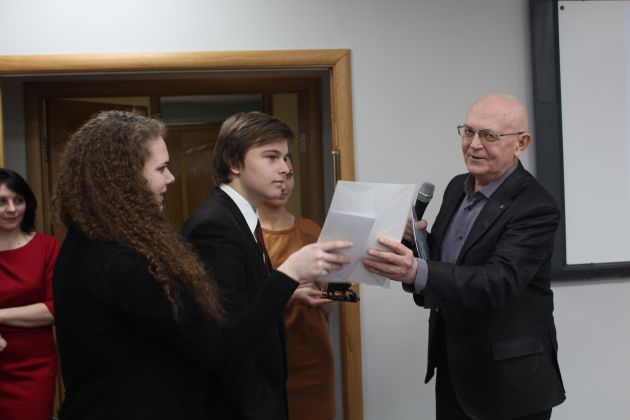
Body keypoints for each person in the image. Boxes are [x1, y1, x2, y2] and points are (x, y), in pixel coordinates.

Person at [52, 110, 350, 420]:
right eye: (161, 168)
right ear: (124, 177)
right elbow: (222, 350)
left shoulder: (87, 244)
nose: (171, 177)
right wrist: (289, 273)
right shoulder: (123, 262)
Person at [362, 95, 565, 420]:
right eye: (468, 131)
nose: (474, 144)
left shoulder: (535, 206)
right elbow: (453, 261)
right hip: (455, 370)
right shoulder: (458, 186)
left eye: (489, 135)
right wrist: (417, 242)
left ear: (521, 143)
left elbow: (498, 281)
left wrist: (416, 271)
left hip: (509, 384)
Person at [182, 111, 338, 420]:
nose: (285, 168)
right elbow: (230, 339)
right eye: (271, 157)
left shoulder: (238, 219)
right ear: (234, 162)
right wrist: (290, 272)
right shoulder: (215, 226)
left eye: (286, 157)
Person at [258, 159, 336, 420]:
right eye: (276, 176)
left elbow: (329, 306)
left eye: (289, 175)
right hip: (268, 355)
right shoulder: (246, 234)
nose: (284, 183)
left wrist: (326, 297)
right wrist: (290, 294)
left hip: (313, 354)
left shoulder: (310, 230)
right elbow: (243, 304)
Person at [0, 168, 59, 420]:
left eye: (19, 200)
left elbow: (55, 308)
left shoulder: (47, 246)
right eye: (2, 202)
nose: (12, 209)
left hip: (32, 369)